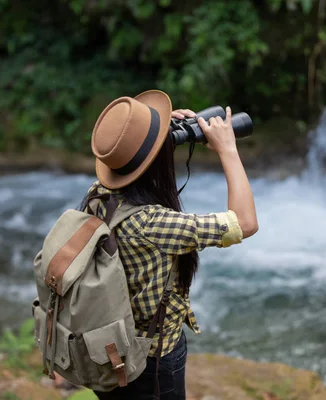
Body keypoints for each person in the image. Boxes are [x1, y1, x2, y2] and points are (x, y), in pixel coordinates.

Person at [79, 90, 258, 399]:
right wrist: (228, 149)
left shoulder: (98, 195)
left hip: (107, 346)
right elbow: (245, 223)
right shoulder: (153, 223)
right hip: (151, 362)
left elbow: (132, 161)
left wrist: (157, 134)